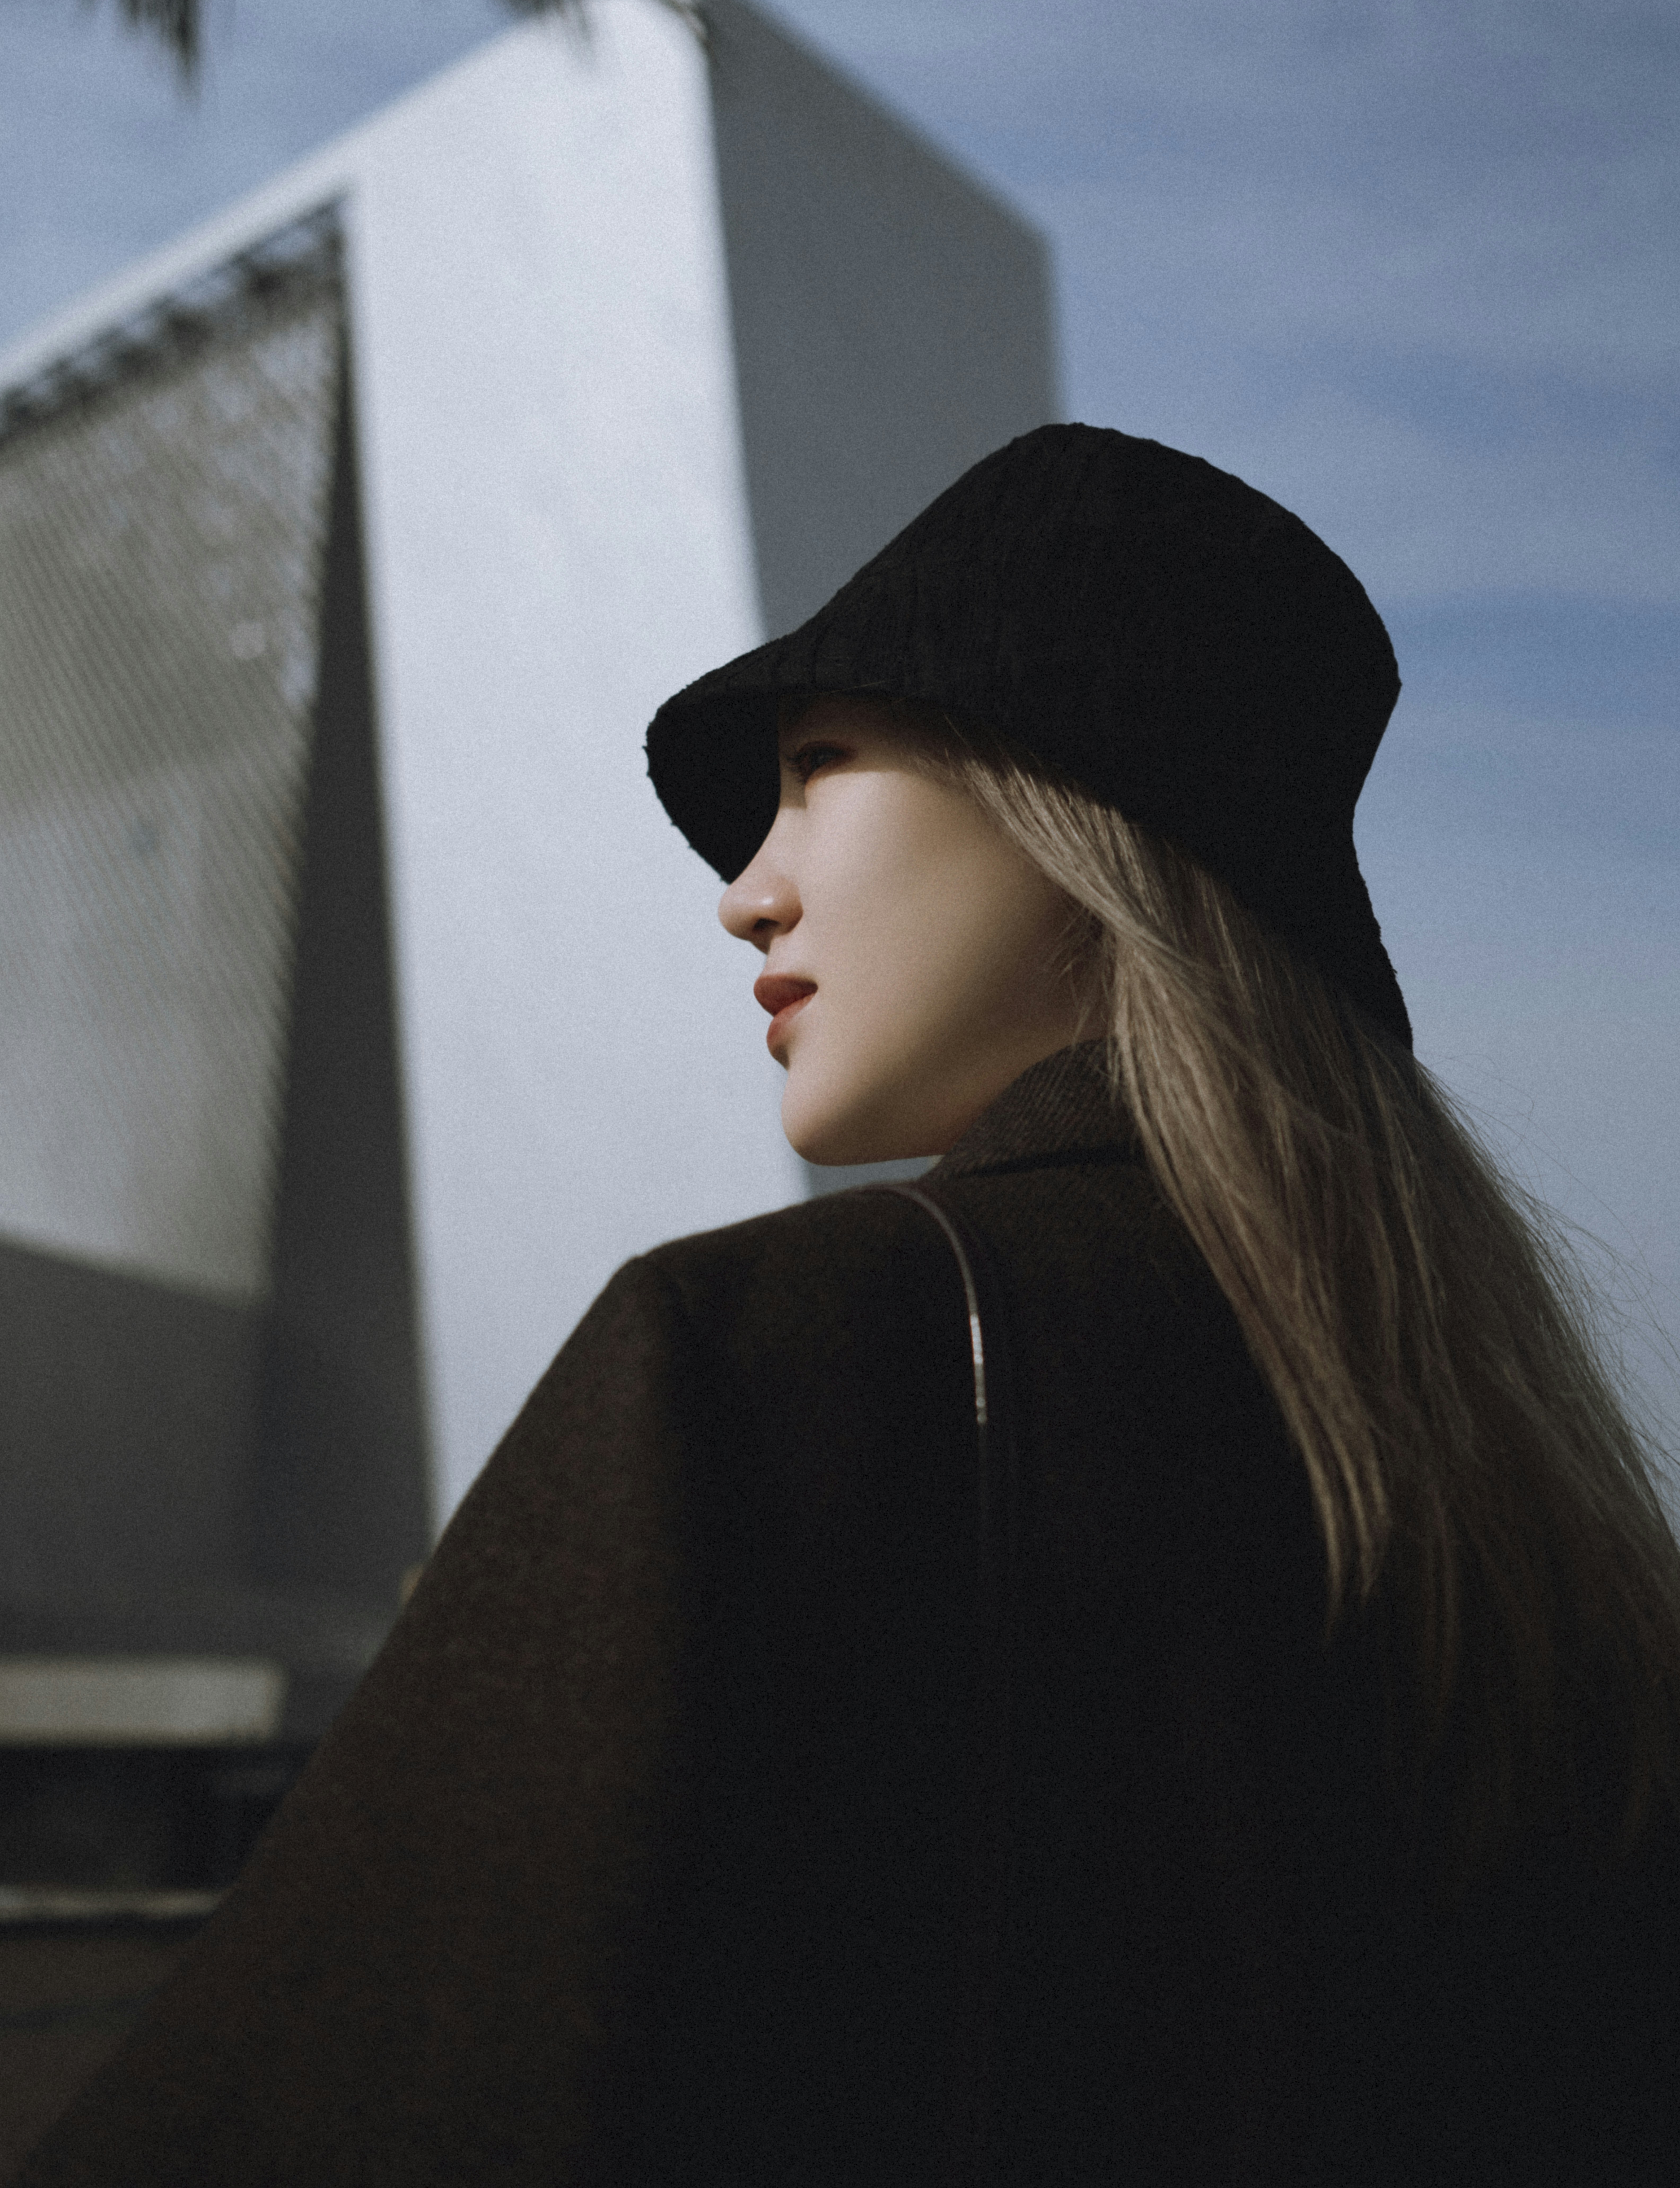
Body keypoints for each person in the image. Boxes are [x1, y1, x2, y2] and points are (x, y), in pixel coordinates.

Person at [18, 424, 1680, 2186]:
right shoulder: (1521, 1500)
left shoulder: (774, 1356)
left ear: (1076, 817)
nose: (745, 894)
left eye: (817, 766)